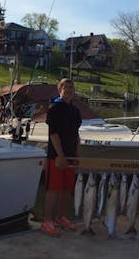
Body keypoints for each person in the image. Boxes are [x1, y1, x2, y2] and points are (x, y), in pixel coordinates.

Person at [41, 78, 82, 236]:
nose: (69, 90)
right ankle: (47, 221)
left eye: (71, 87)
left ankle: (61, 217)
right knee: (53, 190)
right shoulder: (54, 108)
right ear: (60, 90)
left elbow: (76, 134)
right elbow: (53, 134)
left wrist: (77, 154)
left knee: (66, 189)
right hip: (56, 157)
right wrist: (61, 156)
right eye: (65, 87)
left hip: (71, 156)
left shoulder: (75, 111)